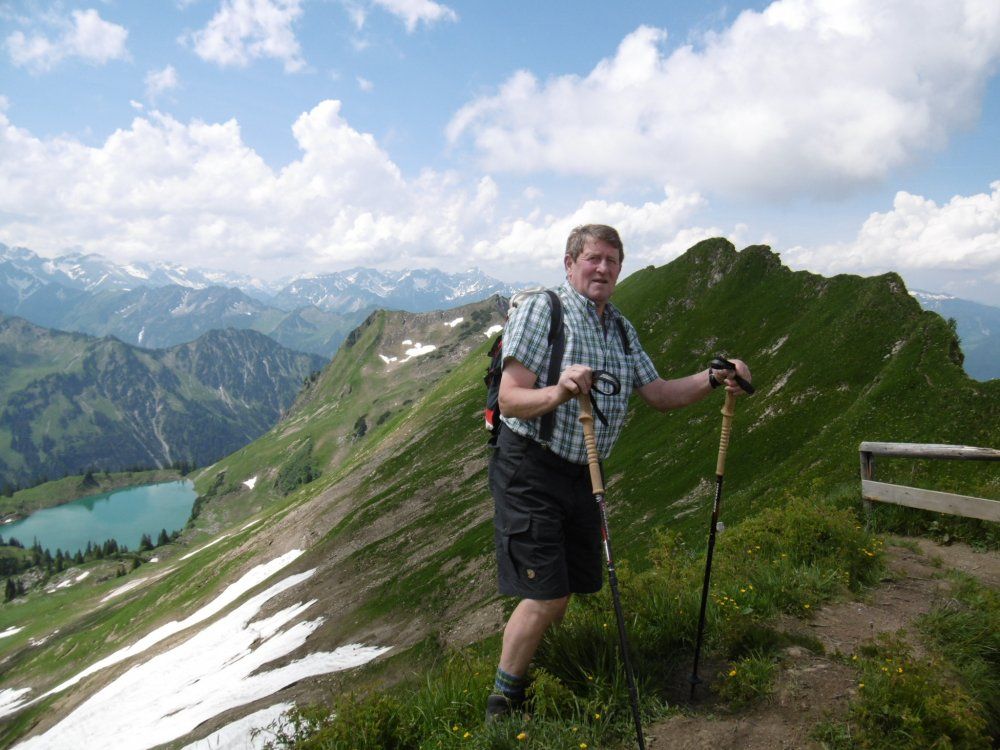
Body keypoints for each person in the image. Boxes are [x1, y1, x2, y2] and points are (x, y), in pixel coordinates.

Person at [486, 224, 751, 719]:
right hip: (528, 468)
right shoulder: (546, 309)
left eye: (612, 260)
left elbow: (661, 395)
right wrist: (561, 392)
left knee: (564, 590)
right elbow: (510, 400)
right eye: (592, 258)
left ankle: (540, 670)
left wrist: (717, 377)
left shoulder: (621, 328)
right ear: (570, 264)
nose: (603, 268)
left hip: (583, 471)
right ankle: (503, 702)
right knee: (547, 594)